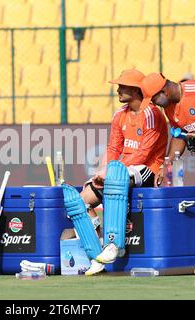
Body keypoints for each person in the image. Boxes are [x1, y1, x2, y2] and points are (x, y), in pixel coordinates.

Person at [72, 69, 168, 275]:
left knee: (114, 179)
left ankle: (114, 244)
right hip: (121, 168)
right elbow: (114, 149)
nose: (118, 90)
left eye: (122, 86)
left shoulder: (152, 114)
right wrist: (102, 171)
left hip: (147, 169)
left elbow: (144, 154)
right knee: (79, 201)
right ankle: (96, 251)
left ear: (134, 90)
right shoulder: (119, 115)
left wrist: (112, 171)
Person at [141, 72, 195, 276]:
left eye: (154, 98)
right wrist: (167, 163)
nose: (154, 104)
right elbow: (179, 134)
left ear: (164, 90)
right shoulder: (169, 108)